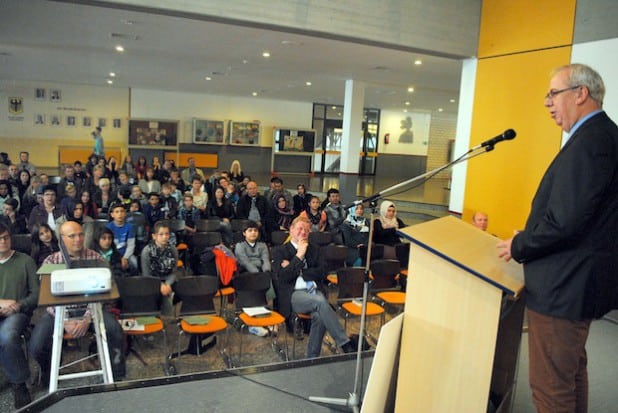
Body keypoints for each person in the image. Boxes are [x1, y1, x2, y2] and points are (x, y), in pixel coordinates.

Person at [497, 64, 618, 413]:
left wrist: (519, 244)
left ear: (581, 93)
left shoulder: (590, 142)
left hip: (563, 286)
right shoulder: (604, 136)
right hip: (577, 283)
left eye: (553, 93)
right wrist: (533, 233)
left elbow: (565, 221)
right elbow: (581, 215)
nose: (548, 103)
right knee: (570, 375)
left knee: (551, 388)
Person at [29, 221, 126, 382]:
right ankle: (49, 370)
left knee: (115, 331)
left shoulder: (96, 258)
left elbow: (102, 293)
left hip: (92, 310)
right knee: (36, 346)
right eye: (72, 236)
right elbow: (47, 298)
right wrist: (65, 320)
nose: (78, 239)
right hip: (59, 313)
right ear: (61, 239)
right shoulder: (51, 262)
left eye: (81, 234)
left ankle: (116, 374)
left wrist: (87, 318)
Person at [272, 216, 357, 358]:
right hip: (293, 294)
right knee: (321, 303)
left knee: (319, 315)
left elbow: (323, 272)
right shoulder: (280, 251)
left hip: (314, 291)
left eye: (306, 230)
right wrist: (299, 256)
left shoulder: (315, 249)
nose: (303, 232)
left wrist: (298, 270)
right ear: (291, 230)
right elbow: (284, 277)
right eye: (300, 228)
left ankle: (312, 356)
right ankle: (345, 343)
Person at [0, 223, 39, 408]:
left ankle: (19, 383)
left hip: (18, 313)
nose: (3, 241)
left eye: (6, 237)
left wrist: (17, 305)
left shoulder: (25, 261)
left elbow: (36, 294)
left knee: (7, 336)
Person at [140, 220, 179, 313]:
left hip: (168, 280)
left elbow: (174, 272)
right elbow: (146, 274)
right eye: (161, 234)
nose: (164, 237)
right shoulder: (147, 251)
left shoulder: (173, 249)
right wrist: (160, 285)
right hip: (151, 281)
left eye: (167, 234)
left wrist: (167, 284)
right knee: (159, 296)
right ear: (154, 236)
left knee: (168, 295)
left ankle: (167, 319)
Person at [106, 202, 138, 273]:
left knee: (134, 262)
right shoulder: (108, 227)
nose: (120, 214)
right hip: (112, 253)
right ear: (112, 214)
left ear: (125, 213)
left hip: (126, 253)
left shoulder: (130, 227)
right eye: (117, 212)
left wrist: (125, 258)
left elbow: (131, 245)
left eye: (122, 211)